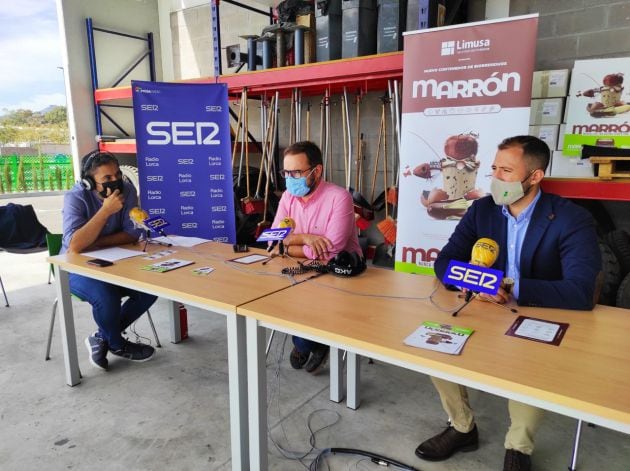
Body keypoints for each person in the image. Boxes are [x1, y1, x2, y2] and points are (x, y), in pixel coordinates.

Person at [415, 136, 601, 471]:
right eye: (494, 169)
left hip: (537, 311)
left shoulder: (572, 219)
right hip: (484, 308)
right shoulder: (483, 209)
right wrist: (478, 282)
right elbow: (445, 263)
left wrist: (509, 288)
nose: (496, 178)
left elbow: (581, 291)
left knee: (526, 370)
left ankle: (518, 448)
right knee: (435, 345)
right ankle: (461, 427)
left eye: (506, 171)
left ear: (535, 177)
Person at [269, 141, 363, 374]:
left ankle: (312, 343)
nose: (290, 179)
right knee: (284, 303)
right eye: (286, 173)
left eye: (297, 172)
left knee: (308, 314)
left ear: (316, 171)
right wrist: (307, 238)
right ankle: (313, 340)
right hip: (298, 269)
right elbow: (272, 241)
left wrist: (288, 244)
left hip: (340, 274)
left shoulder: (339, 197)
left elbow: (330, 251)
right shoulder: (288, 198)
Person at [62, 150, 157, 370]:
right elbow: (75, 246)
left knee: (150, 289)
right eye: (107, 178)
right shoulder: (75, 197)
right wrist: (105, 212)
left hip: (117, 260)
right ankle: (116, 343)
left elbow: (133, 234)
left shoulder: (127, 190)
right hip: (75, 267)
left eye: (117, 175)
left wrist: (94, 242)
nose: (115, 182)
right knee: (107, 295)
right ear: (88, 182)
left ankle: (101, 336)